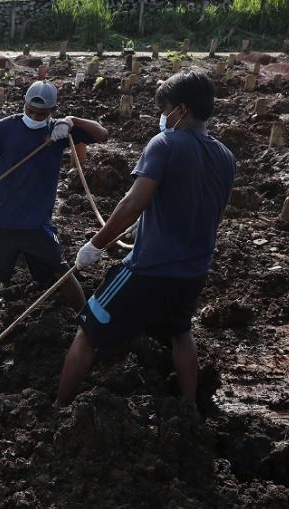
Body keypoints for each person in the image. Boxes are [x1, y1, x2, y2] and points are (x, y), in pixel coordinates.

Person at [57, 71, 235, 407]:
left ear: (181, 109)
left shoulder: (165, 144)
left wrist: (96, 245)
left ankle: (58, 405)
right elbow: (212, 213)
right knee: (180, 332)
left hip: (147, 269)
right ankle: (188, 407)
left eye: (165, 108)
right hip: (194, 271)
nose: (163, 116)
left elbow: (134, 203)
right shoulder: (225, 156)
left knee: (88, 330)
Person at [0, 81, 108, 348]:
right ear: (23, 104)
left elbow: (103, 135)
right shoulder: (5, 128)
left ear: (53, 110)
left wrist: (71, 121)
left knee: (62, 273)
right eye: (30, 111)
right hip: (0, 220)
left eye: (41, 114)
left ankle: (89, 327)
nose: (34, 117)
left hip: (36, 224)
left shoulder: (59, 131)